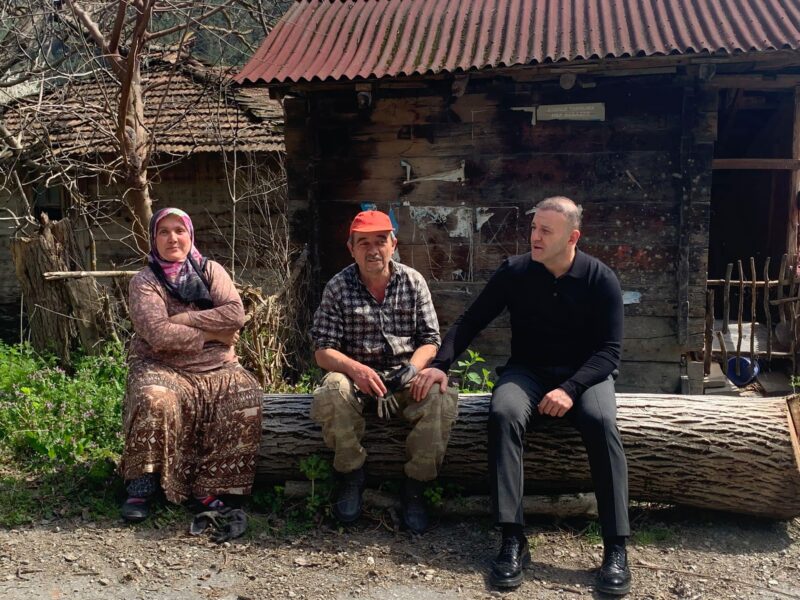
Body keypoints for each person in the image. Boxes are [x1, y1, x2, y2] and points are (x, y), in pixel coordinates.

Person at [412, 197, 631, 595]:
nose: (535, 237)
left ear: (573, 237)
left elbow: (609, 352)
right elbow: (471, 321)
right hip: (528, 371)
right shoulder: (515, 272)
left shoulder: (600, 279)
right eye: (534, 228)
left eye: (546, 230)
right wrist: (440, 364)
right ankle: (512, 538)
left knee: (602, 422)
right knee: (504, 413)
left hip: (585, 376)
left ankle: (616, 547)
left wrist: (569, 389)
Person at [310, 210, 459, 533]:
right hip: (356, 378)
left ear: (394, 245)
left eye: (380, 241)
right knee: (332, 389)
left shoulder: (413, 281)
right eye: (363, 243)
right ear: (351, 248)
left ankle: (415, 486)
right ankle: (351, 474)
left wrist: (413, 369)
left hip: (403, 375)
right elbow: (323, 351)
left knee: (440, 395)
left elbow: (431, 340)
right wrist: (356, 370)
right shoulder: (338, 287)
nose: (373, 250)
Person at [120, 207, 262, 526]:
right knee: (154, 398)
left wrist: (184, 318)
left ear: (190, 235)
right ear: (154, 239)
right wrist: (213, 334)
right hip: (161, 365)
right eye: (164, 232)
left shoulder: (210, 271)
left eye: (179, 230)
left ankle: (211, 489)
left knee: (246, 395)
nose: (172, 238)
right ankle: (142, 486)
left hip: (216, 366)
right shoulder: (145, 281)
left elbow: (235, 314)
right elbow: (158, 333)